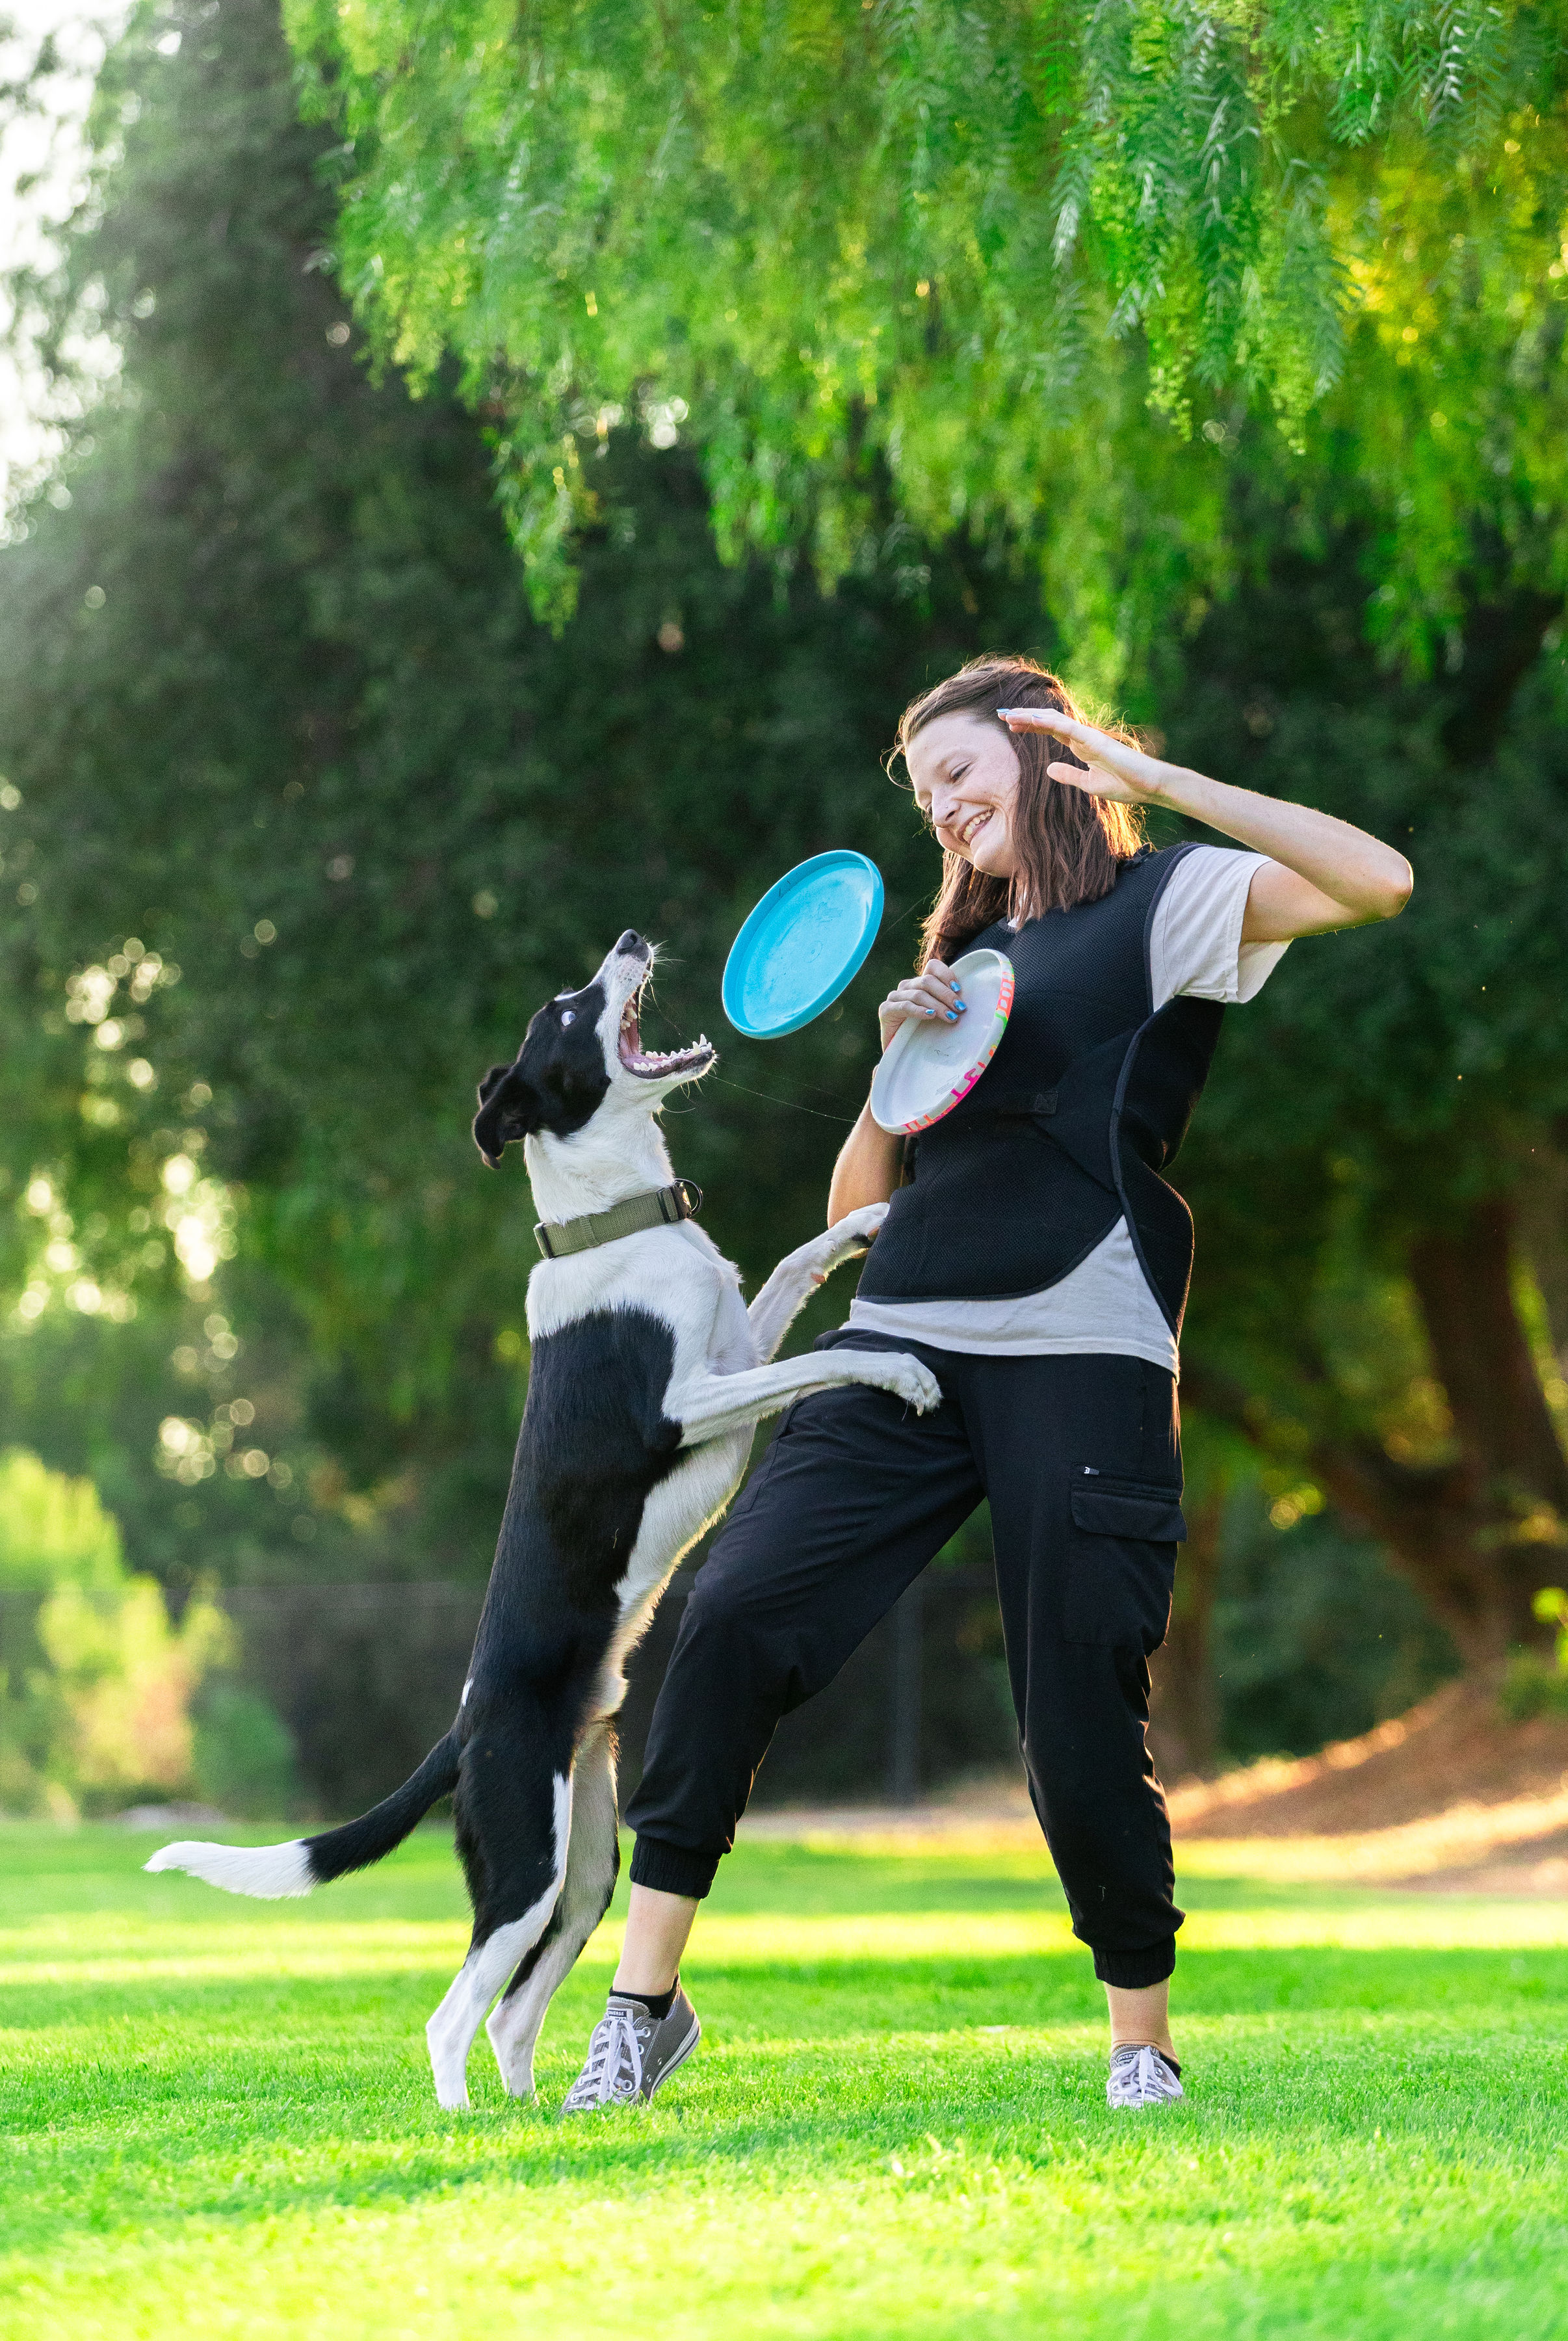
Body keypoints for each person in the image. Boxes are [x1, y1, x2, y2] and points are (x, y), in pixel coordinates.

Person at [561, 653, 1413, 2115]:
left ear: (1045, 750)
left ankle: (1141, 2049)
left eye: (961, 773)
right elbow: (858, 1213)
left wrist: (1157, 784)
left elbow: (1377, 881)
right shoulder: (959, 953)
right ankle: (643, 2008)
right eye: (926, 798)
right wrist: (893, 1068)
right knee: (734, 1615)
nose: (944, 811)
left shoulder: (1164, 906)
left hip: (1082, 1338)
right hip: (900, 1337)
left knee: (1076, 1710)